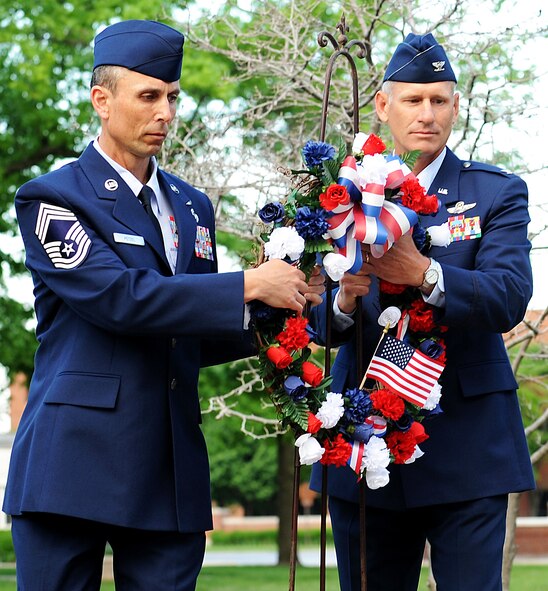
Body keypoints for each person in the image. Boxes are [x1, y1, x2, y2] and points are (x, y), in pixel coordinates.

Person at [3, 19, 323, 591]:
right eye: (149, 96)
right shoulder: (53, 196)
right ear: (102, 101)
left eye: (172, 97)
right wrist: (248, 283)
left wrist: (298, 306)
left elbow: (191, 328)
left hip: (169, 468)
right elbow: (118, 299)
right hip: (72, 464)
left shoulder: (192, 205)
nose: (166, 113)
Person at [310, 32, 534, 591]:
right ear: (383, 106)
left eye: (440, 100)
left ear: (457, 106)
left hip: (468, 445)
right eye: (413, 100)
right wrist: (341, 298)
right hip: (364, 440)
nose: (427, 114)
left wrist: (424, 273)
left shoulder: (495, 193)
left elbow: (508, 295)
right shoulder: (339, 195)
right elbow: (308, 318)